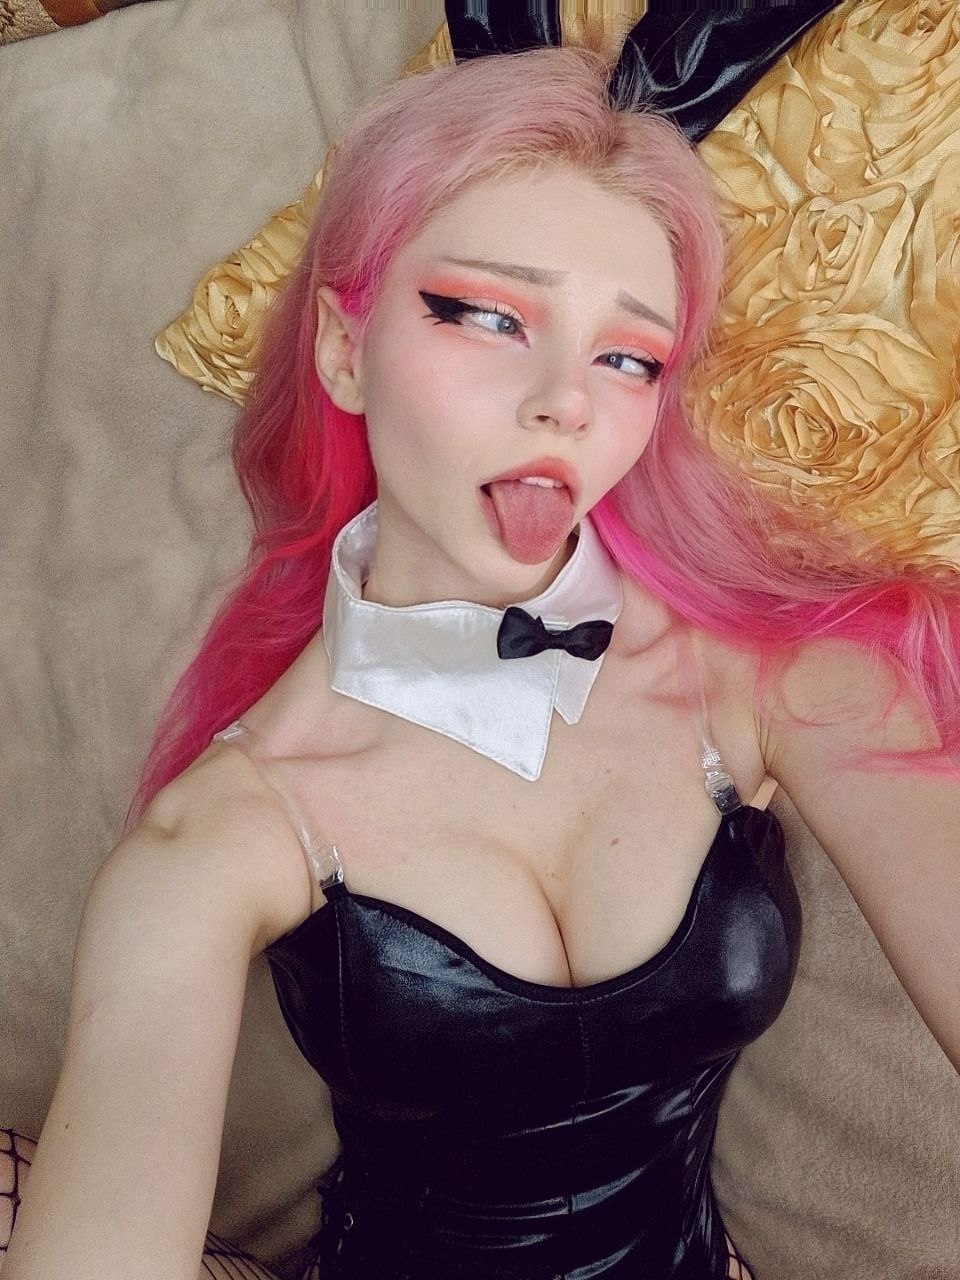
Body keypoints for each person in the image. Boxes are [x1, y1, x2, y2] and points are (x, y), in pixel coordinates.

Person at [4, 44, 959, 1280]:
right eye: (492, 316)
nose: (568, 400)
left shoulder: (772, 678)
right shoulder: (216, 837)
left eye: (628, 355)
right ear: (344, 349)